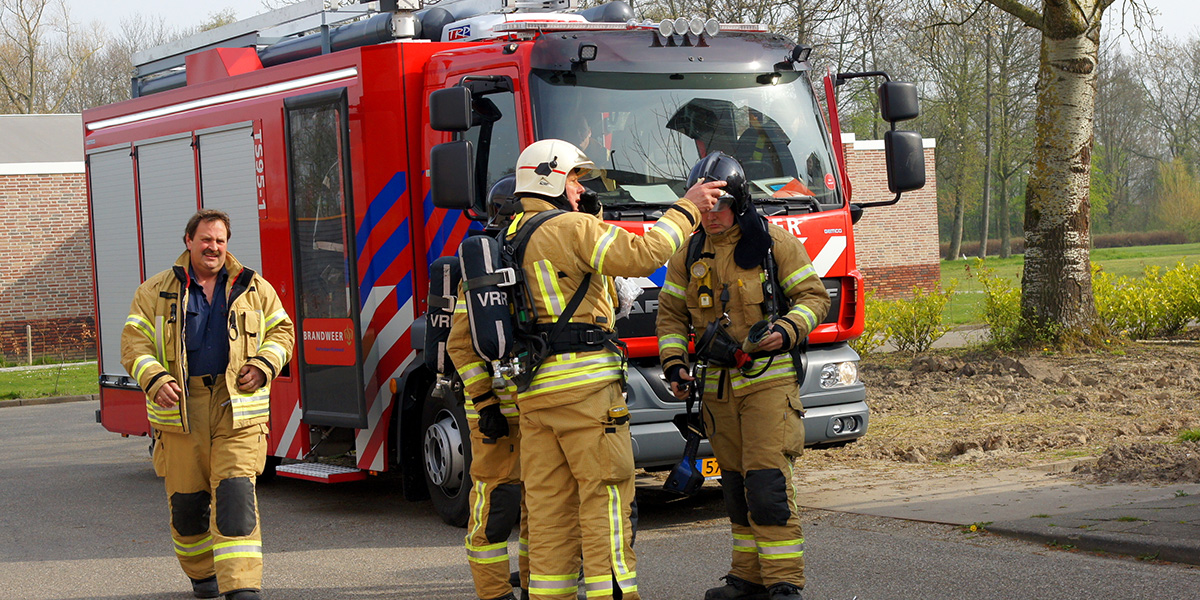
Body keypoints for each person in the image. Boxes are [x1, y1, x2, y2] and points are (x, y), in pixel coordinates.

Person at [501, 138, 721, 600]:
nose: (580, 190)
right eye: (575, 179)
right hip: (587, 395)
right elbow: (644, 255)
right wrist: (687, 208)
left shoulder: (510, 233)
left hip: (536, 396)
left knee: (548, 516)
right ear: (554, 178)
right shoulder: (570, 227)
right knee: (607, 503)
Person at [655, 153, 830, 600]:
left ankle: (784, 582)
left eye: (720, 206)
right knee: (733, 485)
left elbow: (813, 296)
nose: (711, 216)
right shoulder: (687, 255)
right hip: (717, 389)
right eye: (704, 207)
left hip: (768, 383)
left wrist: (788, 330)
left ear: (740, 203)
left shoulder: (773, 243)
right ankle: (747, 577)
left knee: (767, 483)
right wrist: (675, 365)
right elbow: (671, 318)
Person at [121, 209, 293, 600]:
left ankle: (242, 587)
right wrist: (155, 378)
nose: (213, 247)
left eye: (220, 240)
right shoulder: (154, 292)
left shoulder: (255, 287)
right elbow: (134, 345)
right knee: (188, 504)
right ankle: (202, 577)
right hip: (183, 410)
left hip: (237, 409)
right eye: (205, 239)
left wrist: (265, 365)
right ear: (189, 242)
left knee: (235, 498)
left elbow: (283, 331)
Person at [447, 176, 531, 600]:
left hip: (539, 413)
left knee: (542, 508)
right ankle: (494, 593)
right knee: (497, 508)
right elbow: (461, 344)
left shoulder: (540, 259)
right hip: (495, 416)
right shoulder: (480, 275)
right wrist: (486, 404)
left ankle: (540, 585)